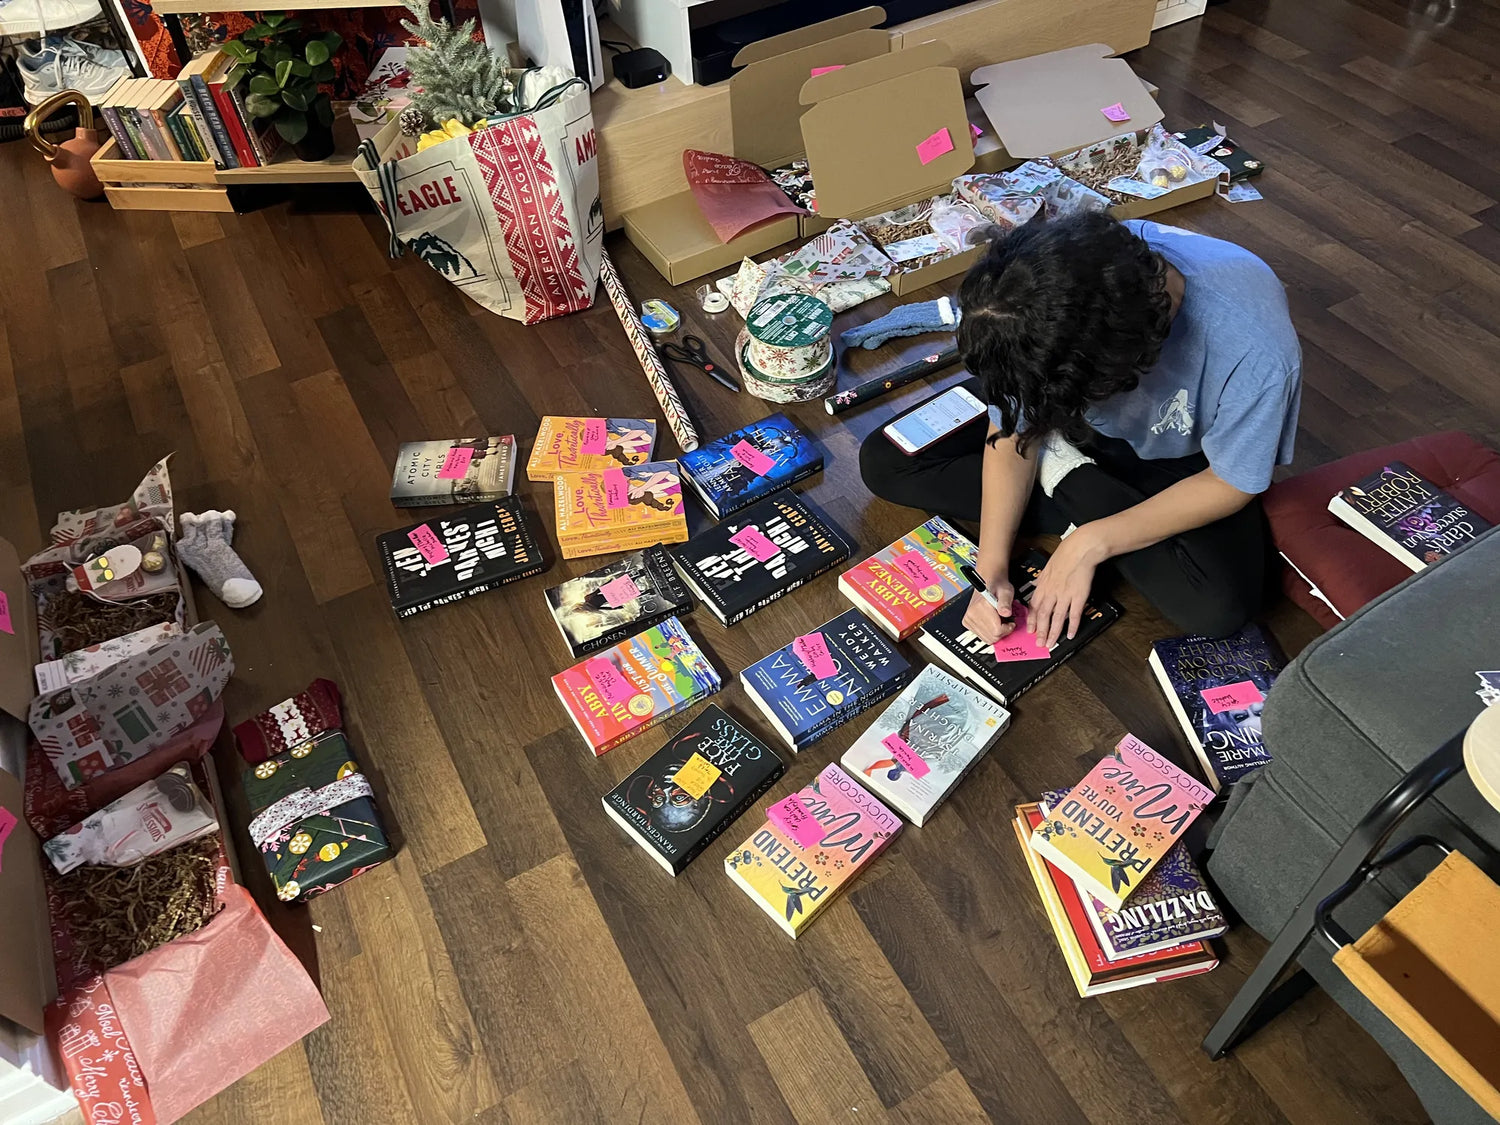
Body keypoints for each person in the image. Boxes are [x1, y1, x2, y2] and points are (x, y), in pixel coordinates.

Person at [860, 212, 1302, 647]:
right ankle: (1071, 476)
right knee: (887, 459)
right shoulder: (1050, 278)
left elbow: (1231, 481)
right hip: (1058, 388)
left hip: (1176, 455)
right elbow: (1012, 428)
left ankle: (1066, 479)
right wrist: (990, 568)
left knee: (1218, 608)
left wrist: (1090, 543)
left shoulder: (1256, 352)